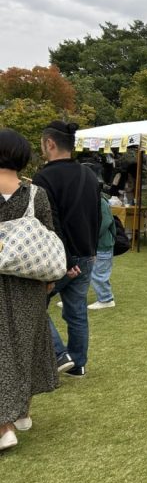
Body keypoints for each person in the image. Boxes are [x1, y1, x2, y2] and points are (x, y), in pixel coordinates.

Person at [0, 130, 60, 451]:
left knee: (3, 350)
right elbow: (48, 236)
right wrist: (48, 282)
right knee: (26, 344)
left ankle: (4, 427)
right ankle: (22, 410)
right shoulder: (36, 193)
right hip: (31, 282)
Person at [34, 121, 101, 378]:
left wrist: (67, 259)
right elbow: (97, 215)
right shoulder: (88, 174)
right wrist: (90, 250)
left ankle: (60, 354)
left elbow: (50, 223)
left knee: (34, 304)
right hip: (86, 253)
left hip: (61, 257)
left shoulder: (43, 178)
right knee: (76, 311)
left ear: (50, 143)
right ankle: (78, 362)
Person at [86, 164, 117, 310]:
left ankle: (106, 299)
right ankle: (77, 298)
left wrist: (89, 236)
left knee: (99, 273)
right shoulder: (93, 199)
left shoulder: (101, 201)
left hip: (101, 244)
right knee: (87, 272)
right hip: (93, 243)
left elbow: (104, 223)